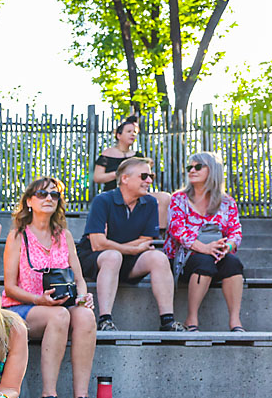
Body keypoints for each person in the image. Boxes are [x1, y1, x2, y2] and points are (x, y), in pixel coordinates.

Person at [2, 177, 101, 398]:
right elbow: (9, 287)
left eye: (54, 195)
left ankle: (81, 397)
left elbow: (79, 278)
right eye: (42, 194)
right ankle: (48, 395)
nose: (49, 198)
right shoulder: (18, 236)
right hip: (23, 307)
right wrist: (40, 300)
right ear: (29, 201)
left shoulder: (63, 235)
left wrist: (84, 296)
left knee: (86, 317)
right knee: (59, 316)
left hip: (60, 307)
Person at [76, 157, 185, 331]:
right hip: (94, 259)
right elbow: (97, 244)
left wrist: (112, 243)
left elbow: (146, 240)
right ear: (125, 178)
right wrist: (131, 248)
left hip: (127, 261)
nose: (149, 181)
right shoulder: (102, 201)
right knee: (113, 256)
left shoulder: (150, 202)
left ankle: (168, 321)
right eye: (144, 176)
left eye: (151, 176)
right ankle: (105, 320)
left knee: (158, 257)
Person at [165, 151, 246, 332]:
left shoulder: (227, 202)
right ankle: (191, 318)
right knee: (204, 261)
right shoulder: (178, 199)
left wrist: (228, 246)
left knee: (233, 263)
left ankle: (235, 321)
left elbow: (235, 232)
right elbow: (177, 230)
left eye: (198, 167)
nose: (192, 170)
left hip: (216, 254)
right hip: (184, 258)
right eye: (189, 167)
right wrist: (204, 248)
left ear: (213, 170)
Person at [93, 115, 171, 229]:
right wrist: (120, 174)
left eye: (134, 132)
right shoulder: (107, 154)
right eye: (129, 131)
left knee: (165, 197)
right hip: (115, 193)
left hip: (137, 194)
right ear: (118, 135)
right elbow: (97, 177)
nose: (133, 134)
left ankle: (159, 234)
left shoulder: (138, 156)